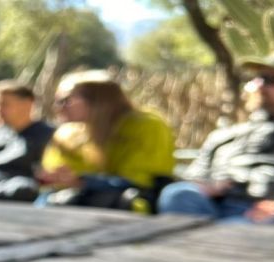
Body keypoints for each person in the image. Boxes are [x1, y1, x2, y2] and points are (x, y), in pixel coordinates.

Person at [158, 45, 274, 219]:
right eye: (259, 78)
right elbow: (193, 179)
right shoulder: (226, 136)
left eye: (272, 79)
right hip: (211, 211)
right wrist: (208, 187)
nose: (260, 86)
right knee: (176, 195)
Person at [38, 71, 175, 211]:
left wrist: (82, 181)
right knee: (47, 200)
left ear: (98, 99)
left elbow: (141, 181)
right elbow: (57, 176)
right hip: (79, 200)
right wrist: (58, 178)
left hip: (133, 202)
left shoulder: (146, 125)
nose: (58, 108)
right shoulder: (68, 133)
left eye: (65, 100)